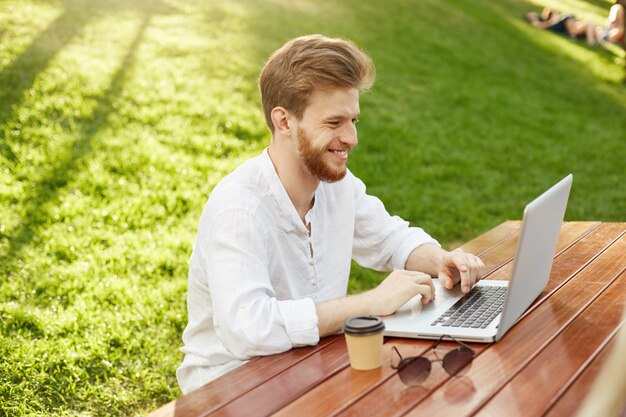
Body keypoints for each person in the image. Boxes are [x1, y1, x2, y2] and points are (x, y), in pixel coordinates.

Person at [176, 34, 485, 394]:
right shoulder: (240, 207)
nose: (351, 137)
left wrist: (442, 260)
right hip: (229, 387)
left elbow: (389, 238)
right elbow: (248, 329)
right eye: (334, 123)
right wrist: (369, 304)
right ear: (284, 121)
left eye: (353, 120)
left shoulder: (336, 184)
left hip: (309, 363)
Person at [524, 8, 599, 45]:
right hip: (563, 25)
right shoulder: (536, 21)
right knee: (570, 17)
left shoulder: (542, 18)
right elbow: (539, 25)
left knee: (589, 23)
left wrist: (553, 17)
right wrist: (551, 21)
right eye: (531, 15)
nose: (533, 14)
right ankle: (591, 41)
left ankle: (595, 41)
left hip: (563, 23)